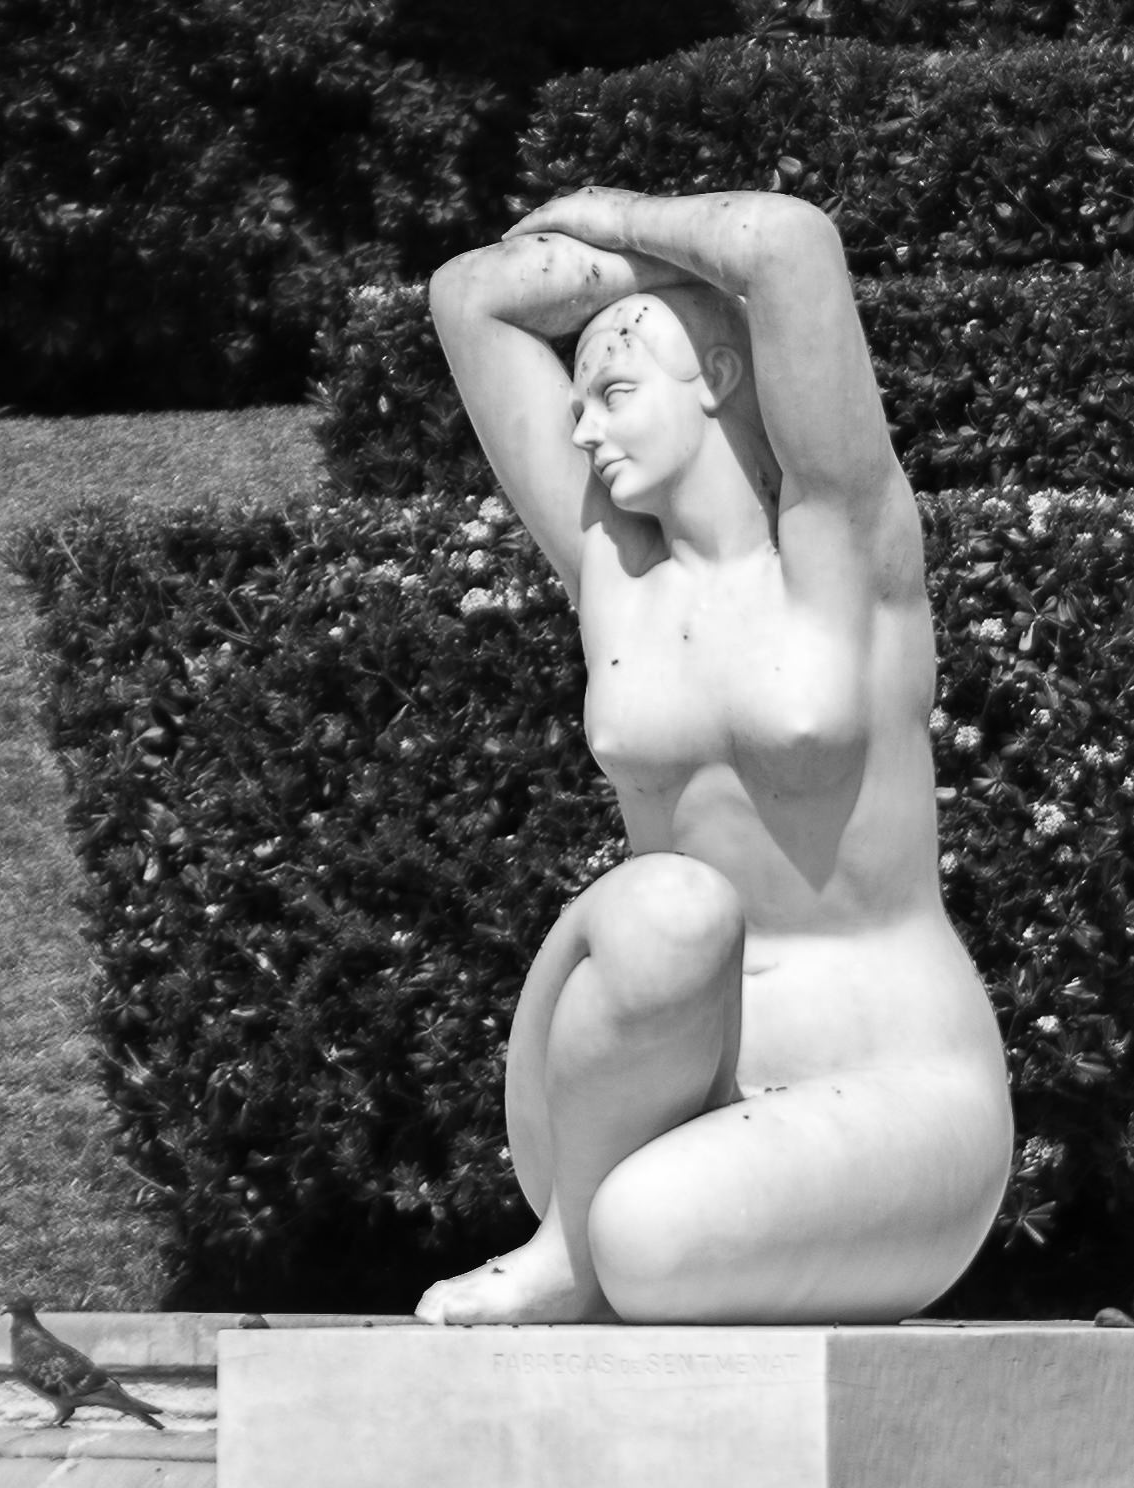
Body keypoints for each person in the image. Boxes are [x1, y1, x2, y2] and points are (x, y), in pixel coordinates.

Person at [413, 189, 1013, 1326]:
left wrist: (612, 218)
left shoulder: (845, 555)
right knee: (669, 904)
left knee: (652, 1237)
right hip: (633, 1100)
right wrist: (651, 295)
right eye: (575, 402)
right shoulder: (613, 573)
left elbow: (783, 246)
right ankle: (568, 1244)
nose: (581, 432)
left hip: (894, 1087)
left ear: (720, 378)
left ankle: (598, 1244)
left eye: (615, 392)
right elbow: (471, 297)